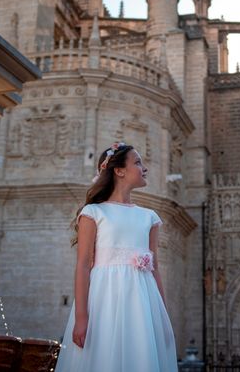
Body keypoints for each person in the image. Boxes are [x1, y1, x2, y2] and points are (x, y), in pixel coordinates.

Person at [55, 142, 178, 371]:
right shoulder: (93, 212)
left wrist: (162, 315)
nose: (145, 168)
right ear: (119, 170)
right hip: (104, 298)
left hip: (143, 300)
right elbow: (82, 266)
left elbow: (155, 269)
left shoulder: (149, 217)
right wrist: (81, 317)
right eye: (138, 162)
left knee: (140, 355)